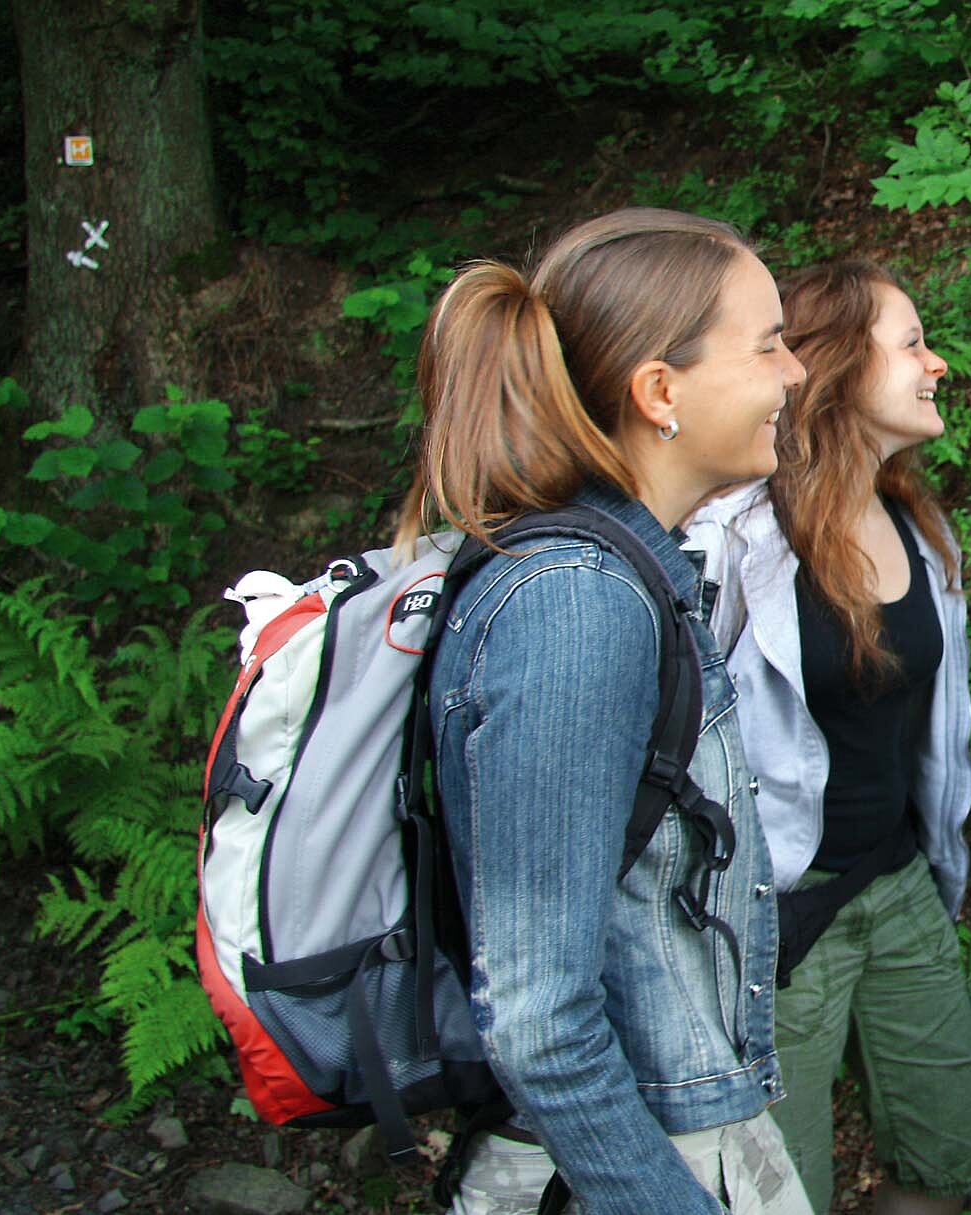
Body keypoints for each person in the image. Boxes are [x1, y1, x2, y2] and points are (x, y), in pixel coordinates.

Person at [397, 208, 813, 1215]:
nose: (796, 373)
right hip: (619, 1169)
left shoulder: (620, 576)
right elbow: (539, 1020)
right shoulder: (575, 606)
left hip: (674, 1135)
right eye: (767, 345)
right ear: (660, 391)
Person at [688, 259, 971, 1215]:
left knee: (950, 1158)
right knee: (782, 1191)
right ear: (840, 369)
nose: (937, 363)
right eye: (912, 343)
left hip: (898, 883)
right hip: (779, 921)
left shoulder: (919, 526)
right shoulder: (739, 540)